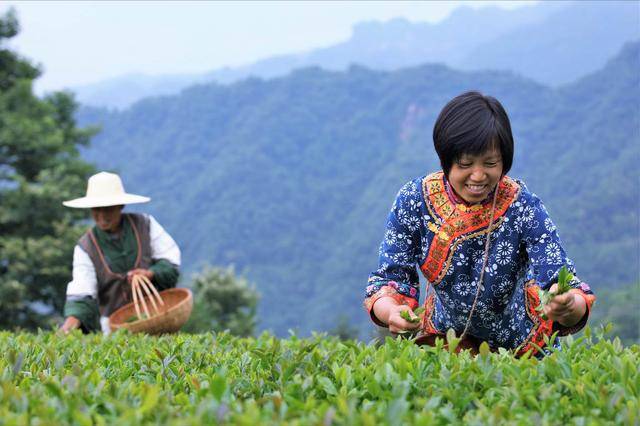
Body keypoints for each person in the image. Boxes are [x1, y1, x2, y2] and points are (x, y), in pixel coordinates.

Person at [364, 91, 596, 356]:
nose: (478, 175)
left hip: (523, 347)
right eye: (465, 163)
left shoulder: (523, 207)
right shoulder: (414, 200)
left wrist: (566, 304)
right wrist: (393, 311)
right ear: (446, 158)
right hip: (446, 342)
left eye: (490, 163)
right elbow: (391, 278)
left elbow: (561, 279)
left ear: (504, 162)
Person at [59, 172, 181, 333]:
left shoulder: (146, 225)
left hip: (157, 317)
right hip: (114, 327)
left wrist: (150, 274)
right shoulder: (85, 247)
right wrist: (69, 326)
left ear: (120, 206)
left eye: (108, 209)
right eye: (97, 209)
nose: (102, 216)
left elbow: (170, 263)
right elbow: (83, 291)